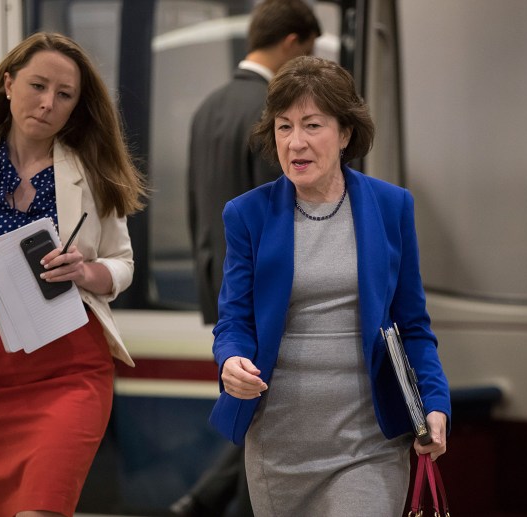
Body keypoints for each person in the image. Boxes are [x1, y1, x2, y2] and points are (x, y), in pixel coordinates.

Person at [208, 55, 451, 517]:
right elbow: (234, 320)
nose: (295, 142)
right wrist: (231, 359)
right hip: (278, 449)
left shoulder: (391, 206)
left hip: (370, 446)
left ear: (344, 134)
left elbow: (413, 325)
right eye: (283, 127)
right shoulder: (247, 214)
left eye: (312, 125)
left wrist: (435, 401)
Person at [0, 31, 146, 517]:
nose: (48, 103)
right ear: (8, 84)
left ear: (74, 107)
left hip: (69, 366)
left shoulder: (92, 170)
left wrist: (87, 271)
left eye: (64, 95)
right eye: (38, 86)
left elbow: (123, 264)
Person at [176, 2, 321, 516]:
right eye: (308, 51)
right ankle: (211, 500)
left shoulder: (208, 106)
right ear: (292, 43)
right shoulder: (276, 114)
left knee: (256, 406)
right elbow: (281, 210)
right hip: (267, 290)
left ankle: (203, 499)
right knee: (268, 414)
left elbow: (197, 210)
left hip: (223, 286)